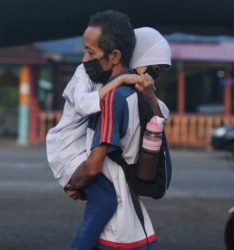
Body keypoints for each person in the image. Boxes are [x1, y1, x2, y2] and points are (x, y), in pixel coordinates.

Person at [64, 12, 171, 249]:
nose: (152, 77)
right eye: (153, 69)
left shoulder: (115, 99)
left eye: (158, 72)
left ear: (116, 55)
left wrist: (74, 184)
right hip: (138, 225)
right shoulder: (144, 100)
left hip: (116, 231)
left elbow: (93, 166)